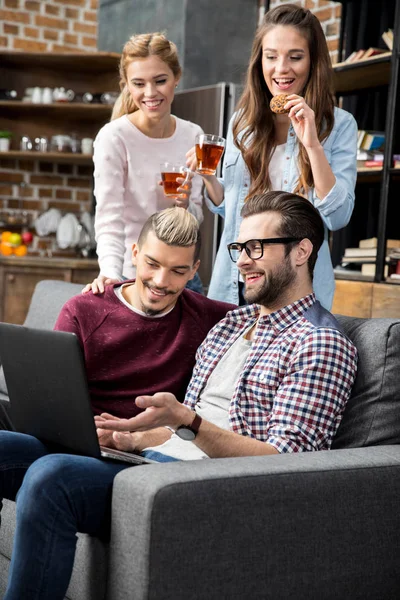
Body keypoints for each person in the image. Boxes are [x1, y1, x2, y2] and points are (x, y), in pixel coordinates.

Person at [0, 192, 357, 599]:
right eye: (239, 248)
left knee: (52, 479)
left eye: (256, 248)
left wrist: (186, 419)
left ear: (301, 251)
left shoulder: (319, 343)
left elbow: (290, 464)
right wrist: (132, 437)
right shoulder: (230, 323)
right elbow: (183, 422)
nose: (241, 261)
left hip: (204, 486)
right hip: (150, 461)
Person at [0, 207, 234, 600]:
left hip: (138, 462)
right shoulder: (85, 309)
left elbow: (275, 315)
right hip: (74, 442)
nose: (161, 282)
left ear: (194, 269)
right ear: (134, 252)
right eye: (152, 264)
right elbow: (50, 400)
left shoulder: (211, 318)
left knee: (47, 476)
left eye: (178, 271)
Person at [186, 3, 357, 308]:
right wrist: (209, 178)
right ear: (259, 61)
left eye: (295, 57)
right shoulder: (242, 122)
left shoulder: (339, 125)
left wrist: (312, 145)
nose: (281, 69)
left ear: (313, 62)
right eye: (271, 56)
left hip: (296, 287)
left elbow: (337, 216)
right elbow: (234, 207)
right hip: (237, 281)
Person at [84, 32, 205, 295]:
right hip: (131, 275)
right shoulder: (114, 137)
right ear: (126, 84)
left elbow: (196, 219)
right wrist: (111, 277)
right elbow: (109, 218)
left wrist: (184, 206)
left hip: (181, 279)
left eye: (160, 81)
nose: (150, 93)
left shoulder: (193, 134)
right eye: (138, 83)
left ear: (176, 78)